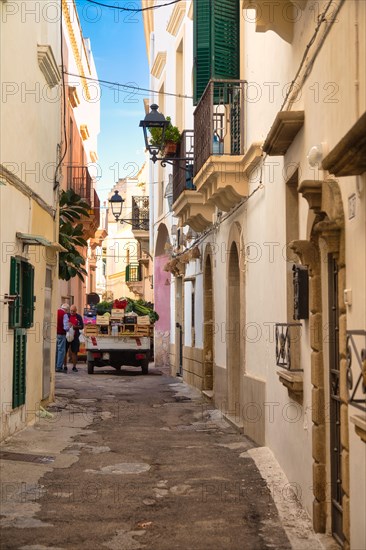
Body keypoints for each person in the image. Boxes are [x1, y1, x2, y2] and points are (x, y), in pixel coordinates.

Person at [64, 304, 84, 372]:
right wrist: (67, 325)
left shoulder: (79, 317)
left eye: (73, 311)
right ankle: (65, 366)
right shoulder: (67, 315)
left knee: (74, 352)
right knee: (65, 351)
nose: (72, 312)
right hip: (66, 336)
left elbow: (82, 326)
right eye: (71, 311)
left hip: (75, 337)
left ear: (76, 311)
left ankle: (74, 367)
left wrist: (75, 326)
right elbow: (63, 324)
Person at [56, 303, 70, 373]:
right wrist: (69, 328)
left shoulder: (56, 311)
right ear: (66, 309)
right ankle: (59, 367)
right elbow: (66, 327)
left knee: (56, 350)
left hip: (54, 334)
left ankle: (55, 365)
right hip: (61, 334)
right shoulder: (64, 314)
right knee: (61, 350)